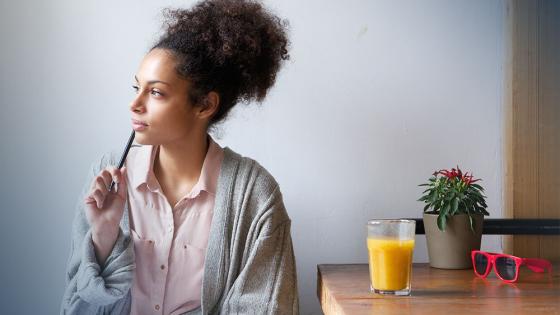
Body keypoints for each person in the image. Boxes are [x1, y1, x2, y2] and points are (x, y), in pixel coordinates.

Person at [60, 0, 298, 314]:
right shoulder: (107, 174)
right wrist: (104, 236)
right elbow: (77, 306)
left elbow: (266, 307)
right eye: (136, 87)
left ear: (204, 105)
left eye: (156, 92)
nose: (135, 104)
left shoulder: (254, 195)